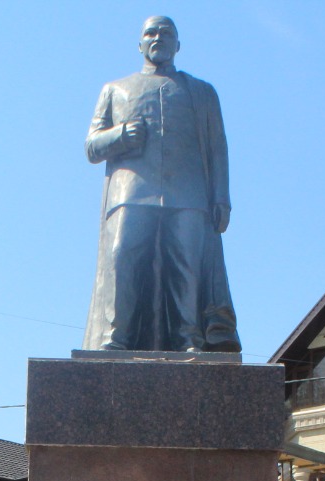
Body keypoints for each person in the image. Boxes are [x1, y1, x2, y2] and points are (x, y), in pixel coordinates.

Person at [82, 15, 238, 353]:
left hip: (189, 194)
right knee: (122, 257)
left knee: (187, 264)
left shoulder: (202, 92)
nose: (158, 38)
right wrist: (121, 135)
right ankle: (116, 337)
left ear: (177, 45)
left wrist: (221, 197)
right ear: (140, 44)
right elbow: (91, 146)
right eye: (150, 33)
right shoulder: (115, 89)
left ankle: (188, 339)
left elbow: (218, 146)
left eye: (166, 33)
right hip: (131, 193)